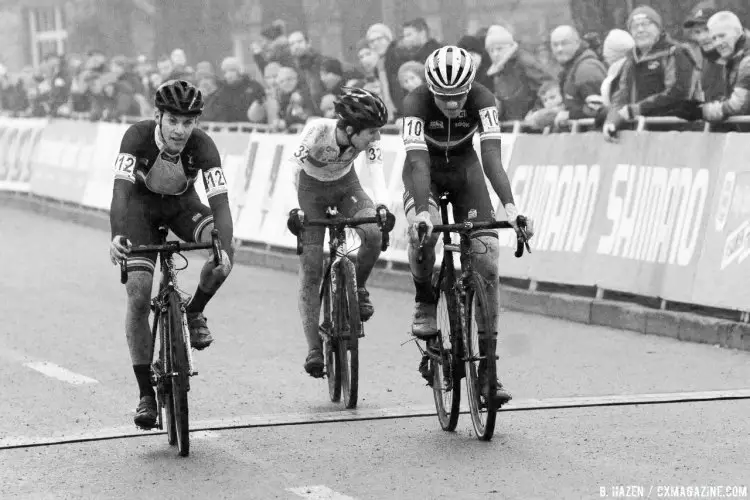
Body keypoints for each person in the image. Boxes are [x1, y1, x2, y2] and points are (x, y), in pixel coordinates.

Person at [401, 45, 534, 405]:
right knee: (421, 235)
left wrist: (509, 207)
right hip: (425, 172)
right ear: (431, 90)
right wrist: (423, 215)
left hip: (466, 171)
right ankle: (425, 300)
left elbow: (491, 155)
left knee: (487, 259)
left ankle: (488, 370)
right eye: (443, 97)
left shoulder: (484, 99)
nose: (451, 104)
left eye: (458, 96)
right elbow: (416, 162)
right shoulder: (414, 103)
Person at [108, 80, 234, 429]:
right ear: (158, 116)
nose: (181, 130)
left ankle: (194, 313)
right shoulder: (136, 136)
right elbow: (120, 190)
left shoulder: (204, 145)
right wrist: (117, 233)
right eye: (173, 121)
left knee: (224, 261)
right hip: (140, 212)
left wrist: (225, 243)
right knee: (138, 291)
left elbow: (219, 201)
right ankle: (146, 394)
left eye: (188, 122)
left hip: (182, 207)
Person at [287, 87, 389, 377]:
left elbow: (376, 168)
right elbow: (292, 164)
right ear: (349, 128)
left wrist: (381, 205)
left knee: (373, 232)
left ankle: (358, 288)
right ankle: (314, 350)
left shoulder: (369, 137)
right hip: (311, 193)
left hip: (347, 187)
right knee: (311, 268)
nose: (375, 137)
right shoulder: (317, 129)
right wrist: (294, 209)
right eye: (370, 132)